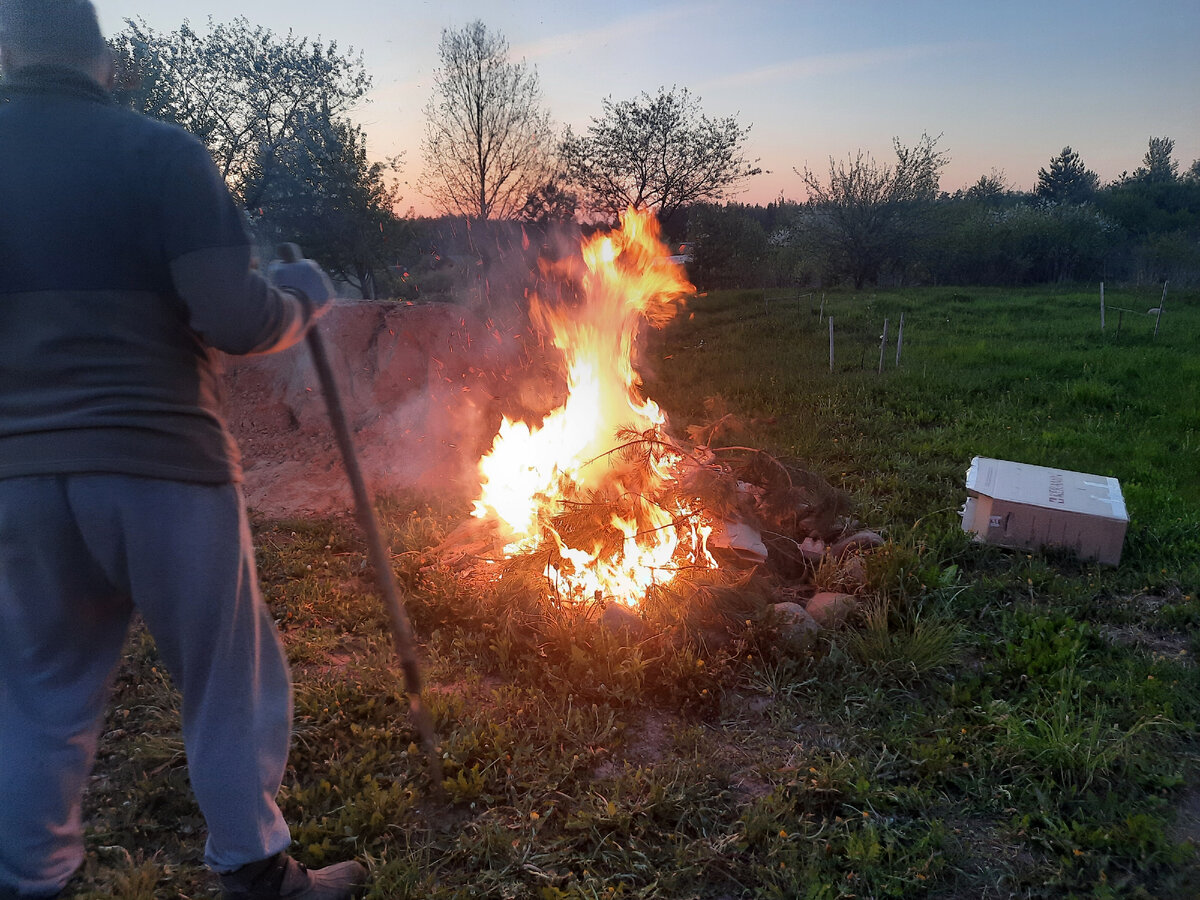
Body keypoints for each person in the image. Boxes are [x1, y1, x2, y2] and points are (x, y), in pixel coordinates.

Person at [0, 1, 368, 897]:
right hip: (164, 464)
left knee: (38, 695)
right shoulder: (160, 153)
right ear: (108, 61)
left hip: (17, 472)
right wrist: (302, 295)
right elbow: (235, 319)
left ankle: (27, 881)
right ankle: (254, 874)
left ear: (8, 54)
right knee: (225, 676)